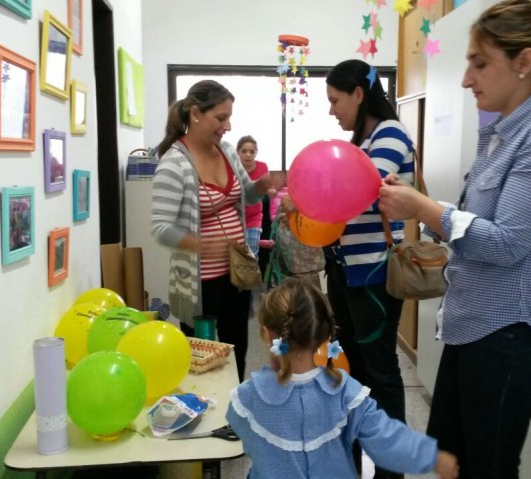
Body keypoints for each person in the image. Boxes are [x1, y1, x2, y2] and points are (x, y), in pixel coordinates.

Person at [378, 1, 531, 476]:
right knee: (450, 462)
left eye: (479, 63)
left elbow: (506, 243)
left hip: (510, 339)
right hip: (474, 330)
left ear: (524, 62)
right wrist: (420, 205)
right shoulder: (501, 135)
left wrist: (425, 208)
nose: (466, 79)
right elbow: (472, 229)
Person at [286, 58, 415, 479]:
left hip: (375, 274)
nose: (331, 110)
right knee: (352, 371)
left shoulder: (390, 135)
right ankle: (354, 462)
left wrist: (303, 200)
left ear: (360, 95)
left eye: (335, 100)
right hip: (345, 270)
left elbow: (355, 195)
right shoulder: (362, 142)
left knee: (380, 371)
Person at [226, 277, 459, 479]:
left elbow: (238, 427)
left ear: (267, 335)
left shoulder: (248, 397)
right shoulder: (345, 391)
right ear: (325, 334)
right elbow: (387, 438)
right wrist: (433, 457)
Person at [150, 80, 279, 382]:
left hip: (236, 273)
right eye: (221, 118)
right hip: (199, 283)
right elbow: (160, 227)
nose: (228, 126)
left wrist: (260, 187)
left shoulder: (227, 152)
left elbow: (245, 194)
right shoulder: (174, 164)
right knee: (203, 358)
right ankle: (205, 416)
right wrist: (198, 244)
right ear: (195, 114)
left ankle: (234, 405)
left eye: (229, 117)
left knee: (237, 348)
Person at [236, 135, 269, 258]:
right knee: (236, 255)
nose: (248, 155)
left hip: (254, 216)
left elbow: (265, 189)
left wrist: (268, 191)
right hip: (236, 216)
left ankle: (252, 277)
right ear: (237, 152)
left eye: (252, 151)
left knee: (251, 254)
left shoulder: (263, 167)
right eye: (244, 151)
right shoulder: (233, 167)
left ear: (256, 153)